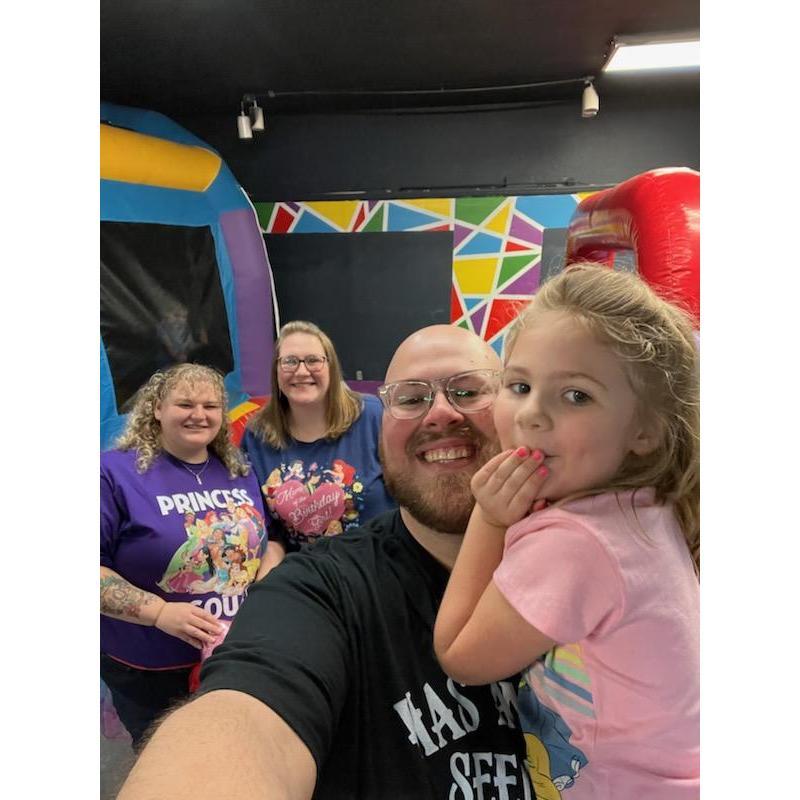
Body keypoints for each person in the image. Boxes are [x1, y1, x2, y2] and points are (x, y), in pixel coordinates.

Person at [118, 325, 546, 800]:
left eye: (468, 391)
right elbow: (245, 716)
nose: (441, 412)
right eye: (410, 399)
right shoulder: (259, 453)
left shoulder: (594, 552)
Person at [434, 263, 700, 798]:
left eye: (576, 395)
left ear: (645, 430)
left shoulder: (574, 543)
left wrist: (490, 517)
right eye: (519, 385)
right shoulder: (643, 505)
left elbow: (461, 655)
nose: (531, 414)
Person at [101, 363, 269, 749]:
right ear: (157, 408)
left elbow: (268, 540)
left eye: (211, 405)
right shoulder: (113, 473)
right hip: (151, 670)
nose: (199, 415)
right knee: (170, 759)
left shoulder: (237, 470)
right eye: (185, 404)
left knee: (236, 753)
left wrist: (265, 592)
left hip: (236, 655)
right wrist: (159, 613)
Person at [240, 320, 395, 574]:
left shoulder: (373, 416)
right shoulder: (258, 435)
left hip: (380, 570)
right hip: (308, 579)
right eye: (290, 361)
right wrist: (265, 585)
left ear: (331, 367)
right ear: (276, 371)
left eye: (313, 360)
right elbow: (271, 534)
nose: (302, 371)